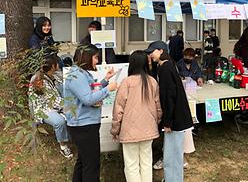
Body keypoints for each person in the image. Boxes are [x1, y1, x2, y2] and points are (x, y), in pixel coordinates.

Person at [64, 44, 117, 182]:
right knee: (91, 165)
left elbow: (89, 91)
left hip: (83, 125)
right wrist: (108, 89)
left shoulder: (80, 73)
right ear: (86, 57)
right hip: (84, 126)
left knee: (83, 162)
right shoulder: (77, 76)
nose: (97, 61)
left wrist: (105, 81)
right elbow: (88, 99)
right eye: (95, 57)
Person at [145, 41, 193, 182]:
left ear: (161, 51)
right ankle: (172, 178)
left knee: (172, 154)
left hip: (175, 119)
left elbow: (168, 97)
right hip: (177, 117)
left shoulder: (165, 68)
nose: (150, 54)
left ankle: (173, 179)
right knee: (174, 152)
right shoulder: (167, 65)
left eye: (152, 51)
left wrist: (167, 122)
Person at [111, 50, 162, 182]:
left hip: (129, 131)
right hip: (149, 129)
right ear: (146, 63)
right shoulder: (152, 82)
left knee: (131, 165)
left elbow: (118, 110)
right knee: (146, 163)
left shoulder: (126, 82)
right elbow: (158, 108)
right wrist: (155, 122)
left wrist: (115, 130)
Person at [29, 55, 73, 158]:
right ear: (54, 66)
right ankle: (63, 146)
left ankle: (73, 138)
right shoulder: (39, 80)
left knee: (74, 113)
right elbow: (52, 101)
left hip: (54, 104)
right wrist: (67, 107)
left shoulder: (53, 76)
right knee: (59, 121)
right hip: (43, 109)